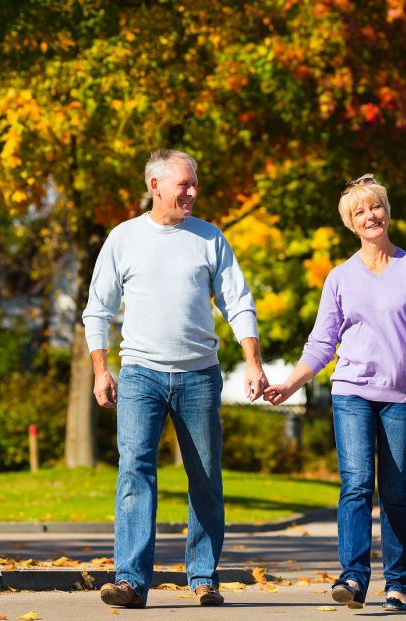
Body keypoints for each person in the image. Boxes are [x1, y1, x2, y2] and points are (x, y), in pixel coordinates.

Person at [83, 149, 268, 608]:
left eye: (194, 183)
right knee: (134, 471)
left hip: (199, 376)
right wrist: (101, 369)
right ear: (155, 186)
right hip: (140, 374)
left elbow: (238, 301)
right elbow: (97, 309)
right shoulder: (123, 238)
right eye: (184, 184)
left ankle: (203, 576)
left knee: (204, 477)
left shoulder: (209, 238)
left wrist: (253, 361)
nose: (192, 192)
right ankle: (130, 580)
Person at [263, 173, 406, 612]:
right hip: (352, 392)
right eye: (359, 212)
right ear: (350, 224)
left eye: (375, 206)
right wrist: (290, 382)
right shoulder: (339, 278)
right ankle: (354, 577)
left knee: (395, 489)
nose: (369, 216)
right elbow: (322, 343)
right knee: (357, 484)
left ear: (387, 211)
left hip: (401, 394)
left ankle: (397, 585)